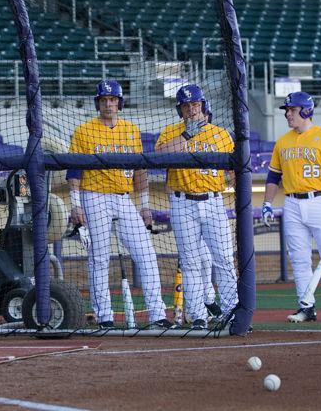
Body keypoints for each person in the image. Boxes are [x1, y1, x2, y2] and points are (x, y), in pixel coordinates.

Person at [68, 80, 172, 329]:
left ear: (119, 102)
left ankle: (157, 314)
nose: (108, 104)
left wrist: (145, 206)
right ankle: (104, 315)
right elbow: (74, 171)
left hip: (124, 198)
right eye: (103, 100)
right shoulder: (84, 130)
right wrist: (75, 205)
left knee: (146, 254)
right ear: (98, 103)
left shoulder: (132, 130)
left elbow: (140, 170)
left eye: (112, 100)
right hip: (94, 196)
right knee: (99, 257)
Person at [261, 91, 321, 323]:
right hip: (292, 202)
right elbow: (273, 177)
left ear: (305, 110)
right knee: (299, 259)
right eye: (287, 111)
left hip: (320, 201)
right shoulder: (282, 141)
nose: (288, 115)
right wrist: (266, 203)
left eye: (291, 110)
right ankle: (306, 306)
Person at [155, 84, 238, 330]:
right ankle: (197, 315)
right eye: (186, 106)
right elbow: (158, 157)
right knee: (190, 262)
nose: (191, 109)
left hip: (214, 201)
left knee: (224, 259)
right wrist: (186, 136)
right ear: (180, 109)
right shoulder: (171, 131)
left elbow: (233, 172)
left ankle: (232, 311)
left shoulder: (221, 134)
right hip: (183, 202)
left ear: (202, 105)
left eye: (195, 104)